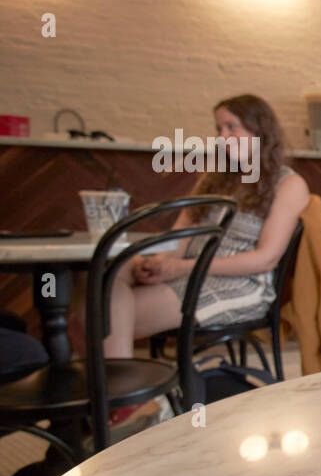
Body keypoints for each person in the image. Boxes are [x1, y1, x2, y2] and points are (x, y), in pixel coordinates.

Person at [104, 94, 309, 421]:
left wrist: (179, 267)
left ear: (260, 131)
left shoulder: (288, 184)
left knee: (99, 310)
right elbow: (180, 235)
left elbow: (265, 259)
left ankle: (118, 400)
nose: (223, 137)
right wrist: (159, 262)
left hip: (240, 285)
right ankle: (122, 398)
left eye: (232, 127)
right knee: (108, 273)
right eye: (219, 129)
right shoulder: (215, 178)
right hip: (189, 271)